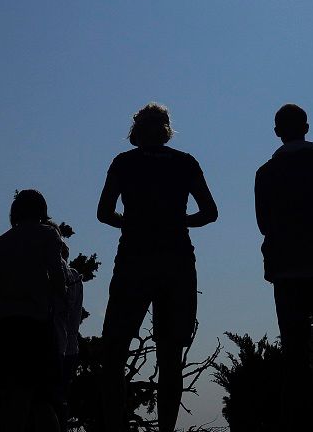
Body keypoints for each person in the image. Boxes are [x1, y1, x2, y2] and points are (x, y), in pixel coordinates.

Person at [97, 103, 218, 432]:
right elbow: (209, 211)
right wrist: (179, 220)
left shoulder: (124, 163)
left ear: (136, 131)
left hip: (134, 259)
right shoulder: (184, 163)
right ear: (165, 130)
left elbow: (104, 213)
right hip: (176, 260)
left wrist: (132, 223)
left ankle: (114, 426)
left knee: (115, 350)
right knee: (169, 354)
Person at [255, 104, 313, 432]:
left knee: (295, 358)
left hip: (286, 271)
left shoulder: (266, 174)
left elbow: (264, 223)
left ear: (277, 131)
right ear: (307, 127)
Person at [0, 189, 66, 432]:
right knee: (39, 396)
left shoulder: (1, 241)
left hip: (6, 324)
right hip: (36, 324)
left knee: (14, 393)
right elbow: (57, 275)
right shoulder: (48, 235)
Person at [51, 238, 85, 432]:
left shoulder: (70, 277)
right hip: (69, 348)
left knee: (52, 399)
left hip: (60, 348)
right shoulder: (75, 278)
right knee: (60, 399)